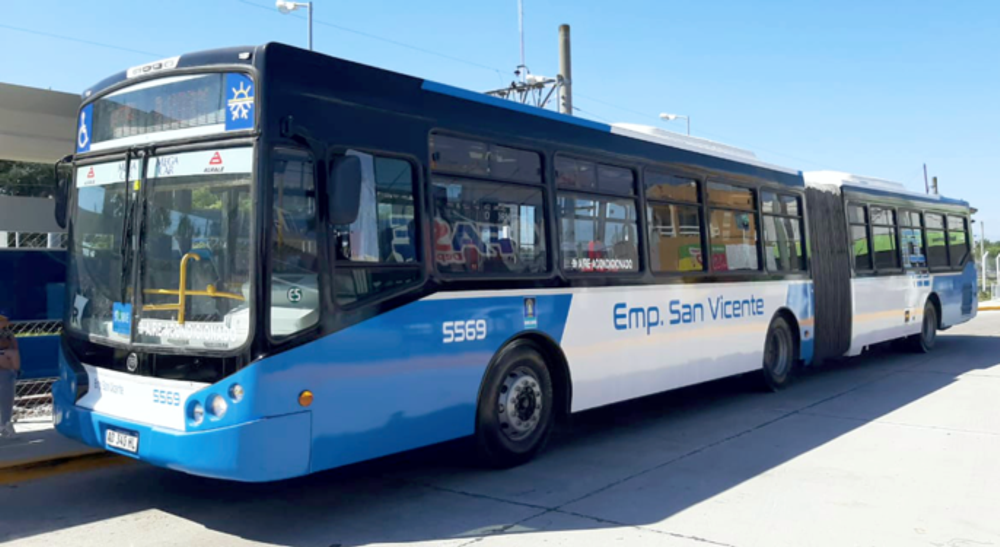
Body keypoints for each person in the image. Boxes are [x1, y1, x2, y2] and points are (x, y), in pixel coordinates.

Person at [0, 315, 20, 438]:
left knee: (6, 393)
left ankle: (5, 423)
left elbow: (14, 348)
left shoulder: (8, 334)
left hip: (6, 369)